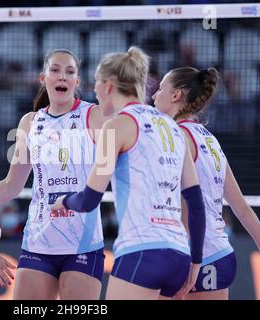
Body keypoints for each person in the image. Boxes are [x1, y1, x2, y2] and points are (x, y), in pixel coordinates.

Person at [0, 48, 112, 300]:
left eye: (69, 72)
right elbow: (11, 186)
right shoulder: (30, 122)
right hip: (39, 242)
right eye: (55, 70)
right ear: (42, 78)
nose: (62, 77)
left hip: (82, 243)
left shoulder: (93, 116)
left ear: (77, 81)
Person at [52, 46, 206, 300]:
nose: (94, 92)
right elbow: (196, 203)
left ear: (109, 86)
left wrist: (63, 201)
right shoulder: (173, 128)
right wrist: (196, 262)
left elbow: (90, 199)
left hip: (142, 252)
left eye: (97, 85)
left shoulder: (116, 126)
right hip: (179, 254)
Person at [151, 66, 260, 299]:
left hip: (192, 255)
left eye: (160, 89)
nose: (154, 95)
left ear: (176, 95)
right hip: (221, 255)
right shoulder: (210, 140)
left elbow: (186, 205)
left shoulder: (176, 136)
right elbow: (240, 207)